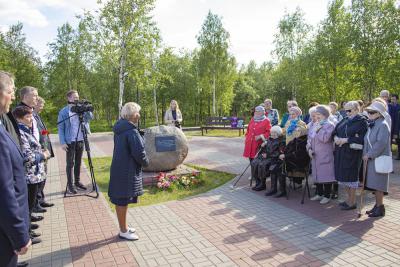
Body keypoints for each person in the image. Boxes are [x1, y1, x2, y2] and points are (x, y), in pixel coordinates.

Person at [0, 71, 31, 267]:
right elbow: (4, 190)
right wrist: (19, 234)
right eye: (10, 91)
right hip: (5, 235)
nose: (12, 97)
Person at [108, 102, 149, 240]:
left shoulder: (121, 128)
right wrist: (146, 163)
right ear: (132, 115)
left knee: (122, 200)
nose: (139, 115)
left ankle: (123, 226)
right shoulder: (131, 131)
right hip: (127, 170)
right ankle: (123, 231)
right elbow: (139, 152)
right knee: (122, 200)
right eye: (138, 112)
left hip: (120, 168)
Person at [13, 106, 51, 244]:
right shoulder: (21, 133)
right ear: (19, 118)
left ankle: (29, 230)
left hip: (35, 176)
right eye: (28, 117)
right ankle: (27, 235)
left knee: (29, 207)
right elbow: (27, 158)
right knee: (27, 208)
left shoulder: (26, 130)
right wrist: (43, 155)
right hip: (30, 176)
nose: (31, 119)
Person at [333, 101, 368, 210]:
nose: (347, 113)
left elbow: (363, 138)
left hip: (352, 153)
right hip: (340, 152)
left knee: (351, 177)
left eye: (349, 110)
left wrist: (346, 140)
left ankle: (352, 202)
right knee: (342, 177)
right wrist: (336, 139)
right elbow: (334, 131)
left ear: (357, 110)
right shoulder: (344, 119)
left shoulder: (362, 121)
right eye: (345, 110)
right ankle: (349, 199)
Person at [58, 90, 93, 194]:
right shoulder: (64, 111)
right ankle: (70, 185)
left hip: (81, 139)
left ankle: (77, 182)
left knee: (78, 162)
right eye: (74, 97)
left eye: (78, 97)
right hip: (70, 141)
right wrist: (62, 142)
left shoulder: (81, 109)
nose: (77, 99)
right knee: (70, 163)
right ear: (69, 98)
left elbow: (90, 118)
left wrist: (86, 109)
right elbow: (61, 128)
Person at [363, 101, 391, 217]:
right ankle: (377, 205)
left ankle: (380, 207)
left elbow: (381, 143)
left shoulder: (383, 124)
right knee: (375, 184)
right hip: (373, 159)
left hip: (378, 159)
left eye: (372, 112)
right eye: (369, 112)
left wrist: (369, 154)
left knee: (379, 185)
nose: (369, 114)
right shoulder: (374, 123)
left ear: (379, 113)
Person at [307, 105, 336, 205]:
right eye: (316, 114)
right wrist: (309, 149)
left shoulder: (329, 125)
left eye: (319, 114)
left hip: (325, 154)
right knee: (317, 174)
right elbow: (310, 138)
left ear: (325, 114)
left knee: (326, 175)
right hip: (315, 154)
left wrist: (319, 130)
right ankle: (319, 194)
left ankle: (327, 195)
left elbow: (325, 139)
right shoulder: (316, 124)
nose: (317, 116)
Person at [278, 106, 309, 197]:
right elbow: (284, 132)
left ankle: (298, 181)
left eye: (294, 114)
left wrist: (300, 129)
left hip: (297, 147)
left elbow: (305, 133)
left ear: (298, 114)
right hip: (288, 146)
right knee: (287, 162)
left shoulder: (302, 123)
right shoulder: (288, 122)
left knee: (296, 162)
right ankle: (291, 178)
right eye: (290, 114)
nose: (292, 115)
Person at [34, 96, 55, 209]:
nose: (42, 107)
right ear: (36, 104)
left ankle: (41, 199)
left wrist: (47, 131)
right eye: (41, 104)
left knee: (43, 176)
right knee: (39, 177)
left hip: (45, 150)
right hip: (40, 151)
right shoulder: (31, 116)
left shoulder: (37, 116)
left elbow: (41, 131)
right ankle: (37, 203)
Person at [243, 106, 271, 186]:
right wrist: (247, 137)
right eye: (256, 111)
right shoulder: (252, 119)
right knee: (251, 161)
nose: (256, 113)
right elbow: (248, 130)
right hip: (250, 144)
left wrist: (260, 136)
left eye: (258, 111)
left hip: (258, 145)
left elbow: (269, 133)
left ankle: (259, 179)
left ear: (263, 112)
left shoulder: (266, 121)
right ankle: (254, 176)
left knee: (257, 162)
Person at [263, 126, 286, 196]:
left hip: (280, 161)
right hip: (273, 159)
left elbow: (279, 154)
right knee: (271, 168)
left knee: (278, 170)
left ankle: (282, 191)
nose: (272, 134)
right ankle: (273, 189)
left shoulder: (282, 141)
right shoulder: (270, 139)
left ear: (278, 133)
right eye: (272, 132)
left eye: (274, 132)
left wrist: (268, 155)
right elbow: (268, 150)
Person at [389, 94, 400, 159]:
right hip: (390, 126)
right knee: (389, 142)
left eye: (394, 99)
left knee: (398, 141)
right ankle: (389, 155)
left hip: (398, 126)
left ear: (397, 100)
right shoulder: (388, 107)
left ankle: (398, 155)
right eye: (391, 99)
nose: (392, 101)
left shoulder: (399, 107)